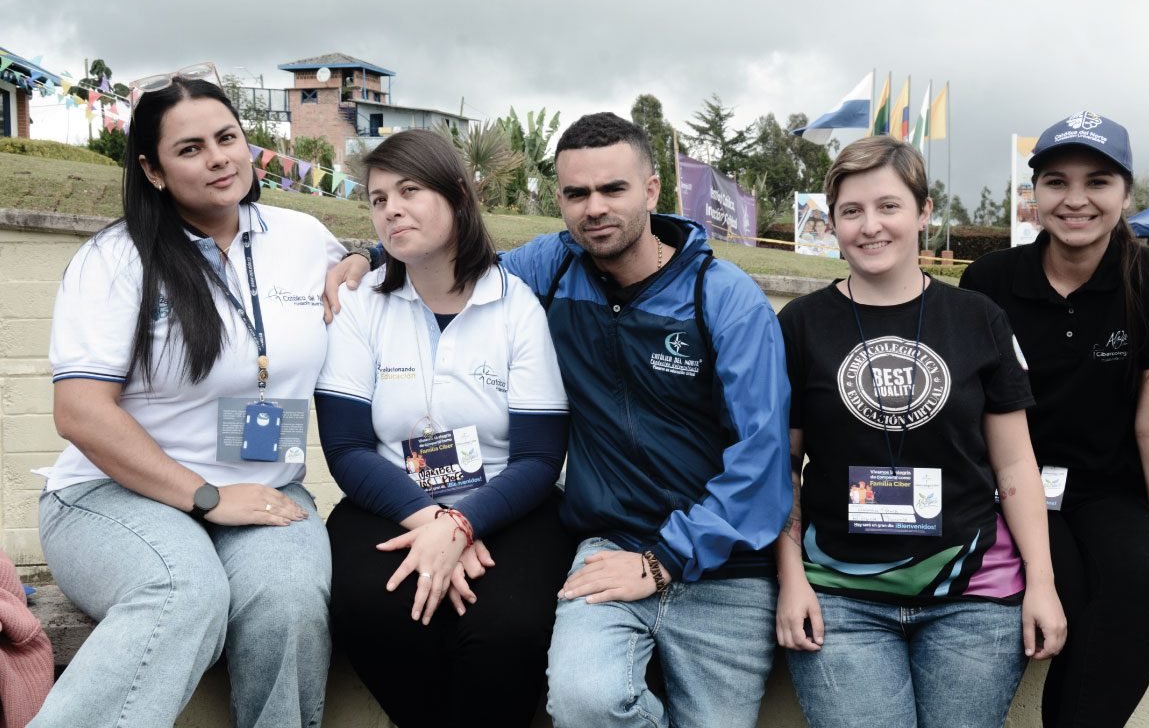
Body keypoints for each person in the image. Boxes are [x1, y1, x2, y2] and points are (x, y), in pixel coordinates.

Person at [327, 112, 793, 728]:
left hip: (722, 566)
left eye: (613, 189)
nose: (594, 208)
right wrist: (364, 257)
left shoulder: (725, 298)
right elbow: (450, 261)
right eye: (577, 194)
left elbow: (763, 461)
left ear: (652, 189)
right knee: (583, 701)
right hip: (608, 544)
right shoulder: (552, 267)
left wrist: (663, 562)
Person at [31, 66, 343, 728]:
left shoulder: (302, 238)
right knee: (184, 589)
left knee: (289, 600)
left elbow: (366, 262)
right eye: (190, 149)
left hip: (263, 488)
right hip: (115, 496)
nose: (219, 159)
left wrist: (361, 263)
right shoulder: (115, 260)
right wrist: (207, 497)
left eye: (227, 138)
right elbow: (79, 412)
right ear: (152, 170)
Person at [776, 135, 1066, 728]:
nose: (870, 226)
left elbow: (1015, 465)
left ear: (924, 211)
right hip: (839, 596)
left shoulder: (978, 318)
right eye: (851, 211)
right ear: (832, 223)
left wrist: (1043, 583)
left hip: (973, 594)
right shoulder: (800, 325)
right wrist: (790, 580)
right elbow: (783, 467)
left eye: (889, 206)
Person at [313, 130, 573, 727]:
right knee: (375, 612)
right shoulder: (361, 303)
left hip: (508, 504)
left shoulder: (516, 305)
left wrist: (464, 523)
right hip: (388, 502)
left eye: (410, 191)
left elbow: (540, 457)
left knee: (507, 629)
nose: (391, 210)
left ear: (457, 195)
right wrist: (434, 523)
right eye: (378, 199)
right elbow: (347, 448)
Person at [960, 111, 1149, 727]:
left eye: (1097, 182)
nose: (1075, 200)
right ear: (1035, 194)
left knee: (1137, 582)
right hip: (1011, 490)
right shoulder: (990, 280)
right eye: (1056, 182)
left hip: (1108, 491)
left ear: (1126, 193)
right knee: (1067, 585)